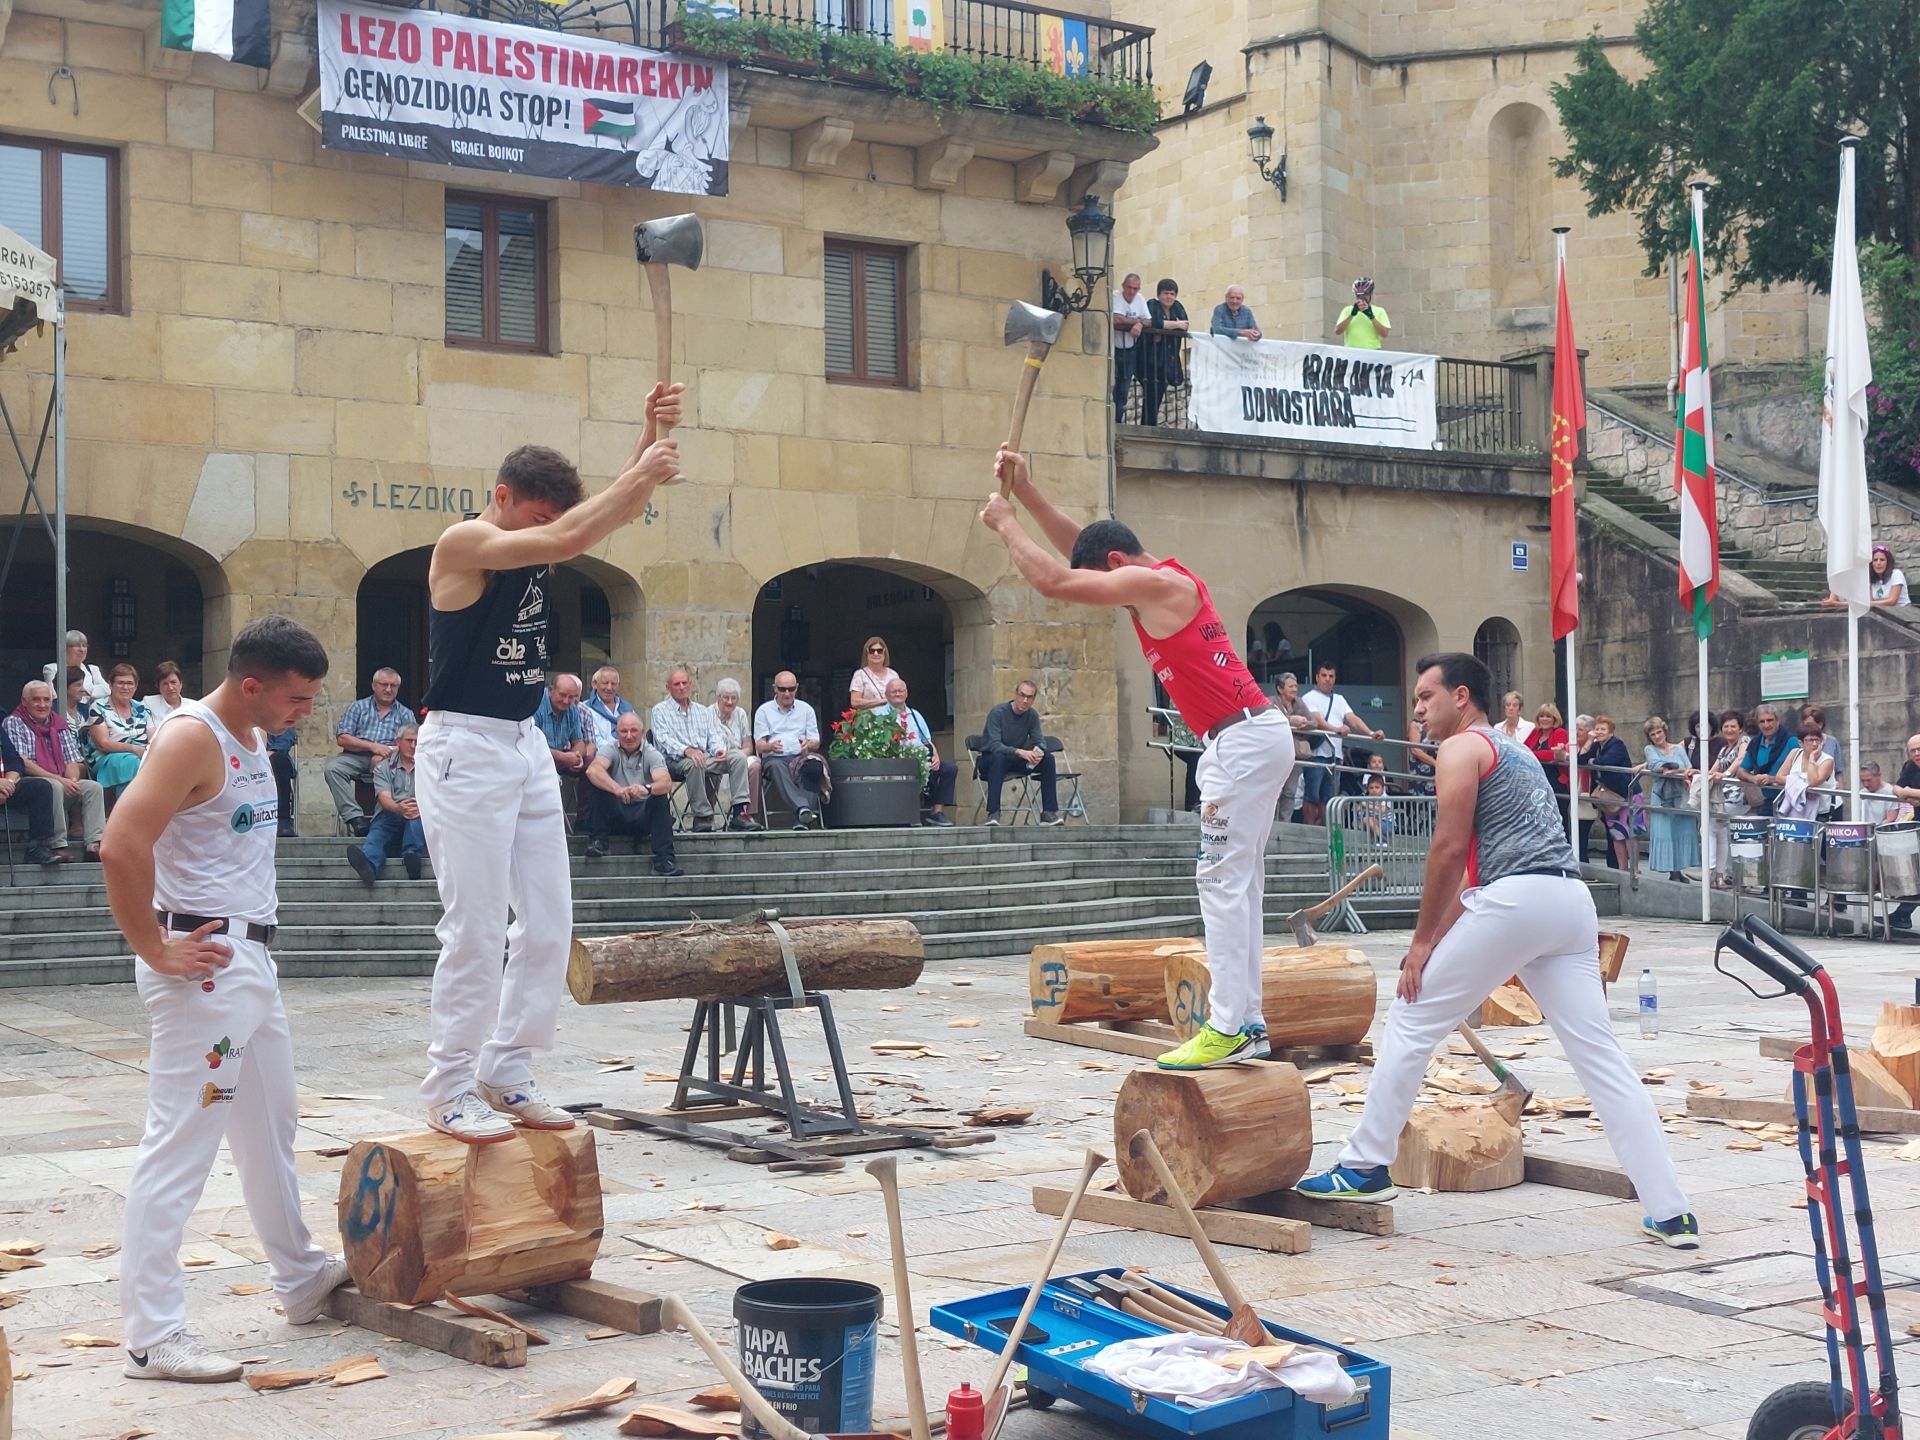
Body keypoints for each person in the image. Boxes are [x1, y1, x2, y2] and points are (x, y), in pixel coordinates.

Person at [1296, 652, 1697, 1246]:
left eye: (1425, 697)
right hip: (1570, 903)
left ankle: (1364, 1166)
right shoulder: (1518, 752)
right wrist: (1437, 937)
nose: (1417, 711)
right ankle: (1671, 1210)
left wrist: (1421, 945)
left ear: (1461, 697)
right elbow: (1472, 874)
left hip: (1518, 901)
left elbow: (1449, 848)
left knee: (1410, 1018)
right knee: (1600, 1058)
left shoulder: (1462, 747)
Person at [415, 387, 682, 1143]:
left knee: (547, 922)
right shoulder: (462, 542)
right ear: (502, 497)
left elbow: (601, 513)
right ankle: (448, 1086)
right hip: (463, 743)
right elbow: (569, 536)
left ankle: (508, 1067)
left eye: (549, 519)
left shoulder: (541, 532)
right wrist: (642, 472)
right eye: (535, 517)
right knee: (473, 929)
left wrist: (647, 435)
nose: (545, 531)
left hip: (524, 740)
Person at [982, 446, 1288, 1070]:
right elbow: (1084, 551)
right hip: (1250, 736)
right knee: (1240, 885)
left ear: (1118, 566)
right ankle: (1247, 1022)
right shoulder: (1152, 579)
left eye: (1108, 579)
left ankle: (1229, 1026)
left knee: (1220, 882)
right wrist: (1028, 491)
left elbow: (1058, 580)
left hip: (1242, 741)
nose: (1108, 592)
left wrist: (1006, 522)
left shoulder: (1158, 585)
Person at [102, 615, 348, 1383]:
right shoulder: (190, 737)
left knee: (271, 1125)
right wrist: (152, 946)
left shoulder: (252, 736)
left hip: (250, 960)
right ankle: (153, 1335)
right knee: (181, 1143)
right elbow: (120, 842)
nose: (306, 712)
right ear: (250, 685)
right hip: (204, 965)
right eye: (297, 699)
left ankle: (301, 1275)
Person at [6, 680, 105, 860]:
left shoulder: (58, 722)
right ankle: (57, 845)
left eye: (46, 700)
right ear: (24, 701)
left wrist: (72, 781)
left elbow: (71, 760)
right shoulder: (15, 722)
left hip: (59, 780)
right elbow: (22, 762)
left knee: (93, 788)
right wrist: (59, 780)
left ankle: (94, 845)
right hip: (30, 784)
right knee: (54, 786)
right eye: (36, 699)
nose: (42, 704)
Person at [650, 667, 755, 832]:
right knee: (695, 763)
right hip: (675, 760)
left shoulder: (702, 711)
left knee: (738, 757)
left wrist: (719, 749)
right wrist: (687, 751)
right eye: (676, 684)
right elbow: (663, 740)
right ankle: (702, 816)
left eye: (684, 683)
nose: (681, 687)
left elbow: (714, 735)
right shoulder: (659, 711)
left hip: (705, 756)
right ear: (668, 687)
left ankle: (739, 812)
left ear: (690, 685)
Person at [583, 712, 681, 874]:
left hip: (643, 816)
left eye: (633, 731)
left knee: (660, 796)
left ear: (642, 733)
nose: (629, 736)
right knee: (597, 784)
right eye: (624, 731)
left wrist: (646, 789)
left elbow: (665, 782)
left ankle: (664, 859)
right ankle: (599, 841)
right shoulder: (610, 749)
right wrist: (617, 789)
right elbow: (593, 770)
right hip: (615, 815)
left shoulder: (652, 754)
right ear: (617, 733)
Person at [326, 669, 417, 837]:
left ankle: (380, 821)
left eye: (393, 686)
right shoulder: (358, 707)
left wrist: (386, 751)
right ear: (374, 686)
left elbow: (411, 744)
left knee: (383, 767)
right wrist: (372, 747)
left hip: (389, 758)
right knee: (333, 768)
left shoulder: (406, 713)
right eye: (384, 685)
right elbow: (343, 738)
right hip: (355, 755)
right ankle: (355, 818)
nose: (388, 689)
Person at [1300, 664, 1383, 825]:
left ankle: (1326, 829)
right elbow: (1317, 720)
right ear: (1317, 677)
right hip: (1316, 754)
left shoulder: (1339, 699)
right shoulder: (1309, 697)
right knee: (1312, 795)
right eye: (1324, 675)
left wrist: (1370, 733)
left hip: (1335, 756)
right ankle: (1309, 828)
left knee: (1329, 797)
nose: (1327, 679)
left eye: (1331, 676)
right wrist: (1336, 729)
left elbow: (1353, 719)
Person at [348, 724, 426, 883]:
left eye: (417, 742)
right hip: (391, 812)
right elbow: (384, 798)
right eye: (409, 740)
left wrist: (420, 808)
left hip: (419, 813)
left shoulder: (428, 767)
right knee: (379, 831)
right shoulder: (384, 767)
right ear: (398, 742)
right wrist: (399, 808)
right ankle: (368, 866)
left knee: (415, 820)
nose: (413, 746)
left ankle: (412, 858)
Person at [979, 679, 1062, 827]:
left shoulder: (1032, 715)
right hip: (991, 760)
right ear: (1015, 694)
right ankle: (993, 813)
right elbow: (994, 745)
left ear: (1033, 699)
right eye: (1022, 695)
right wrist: (1020, 752)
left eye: (1029, 697)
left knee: (1048, 759)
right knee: (998, 758)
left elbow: (1040, 740)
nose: (1025, 700)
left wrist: (1038, 752)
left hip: (1016, 759)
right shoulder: (998, 713)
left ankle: (1049, 812)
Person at [753, 669, 828, 829]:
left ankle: (802, 818)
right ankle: (803, 808)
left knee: (814, 766)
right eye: (782, 689)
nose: (787, 693)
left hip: (800, 756)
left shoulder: (806, 709)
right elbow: (759, 745)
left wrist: (808, 744)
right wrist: (770, 746)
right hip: (775, 757)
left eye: (791, 689)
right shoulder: (764, 711)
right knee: (775, 766)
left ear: (797, 688)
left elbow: (815, 742)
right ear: (775, 688)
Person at [884, 676, 958, 826]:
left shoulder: (915, 714)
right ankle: (910, 814)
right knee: (917, 769)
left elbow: (927, 740)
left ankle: (936, 812)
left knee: (949, 769)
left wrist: (935, 756)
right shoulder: (880, 715)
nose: (898, 694)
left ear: (906, 693)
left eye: (901, 691)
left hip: (922, 758)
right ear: (886, 695)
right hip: (897, 761)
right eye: (893, 691)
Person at [1641, 717, 1698, 882]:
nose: (1657, 736)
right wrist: (1673, 768)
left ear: (1665, 732)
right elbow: (1656, 765)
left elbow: (1688, 768)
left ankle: (1678, 870)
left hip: (1680, 794)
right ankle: (1673, 872)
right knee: (1665, 833)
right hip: (1662, 796)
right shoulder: (1650, 749)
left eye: (1659, 732)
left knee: (1682, 830)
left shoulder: (1678, 749)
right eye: (1653, 734)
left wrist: (1675, 770)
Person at [88, 663, 154, 799]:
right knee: (133, 763)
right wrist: (133, 749)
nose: (125, 687)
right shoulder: (98, 707)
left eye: (130, 683)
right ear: (110, 684)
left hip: (141, 757)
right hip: (106, 759)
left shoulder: (142, 708)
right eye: (120, 683)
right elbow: (103, 744)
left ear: (136, 686)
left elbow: (153, 738)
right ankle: (131, 807)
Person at [0, 721, 62, 867]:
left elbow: (14, 760)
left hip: (5, 785)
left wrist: (8, 783)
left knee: (40, 787)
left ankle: (38, 847)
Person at [1582, 715, 1636, 870]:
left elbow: (1605, 761)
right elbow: (1581, 760)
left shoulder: (1617, 744)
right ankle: (1620, 867)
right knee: (1615, 832)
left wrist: (1593, 761)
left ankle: (1633, 868)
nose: (1599, 732)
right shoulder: (1596, 745)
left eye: (1603, 729)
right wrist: (1588, 741)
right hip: (1608, 795)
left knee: (1627, 832)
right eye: (1597, 729)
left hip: (1622, 794)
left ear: (1611, 732)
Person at [1705, 710, 1752, 881]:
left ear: (1740, 729)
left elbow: (1740, 759)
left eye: (1733, 726)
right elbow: (1713, 770)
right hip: (1723, 796)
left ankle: (1710, 870)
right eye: (1726, 726)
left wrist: (1725, 774)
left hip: (1738, 795)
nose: (1729, 729)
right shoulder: (1724, 749)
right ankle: (1720, 874)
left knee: (1709, 826)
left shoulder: (1744, 741)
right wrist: (1696, 775)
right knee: (1721, 832)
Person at [709, 678, 760, 825]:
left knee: (755, 765)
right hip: (717, 756)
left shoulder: (740, 713)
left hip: (738, 755)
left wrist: (738, 757)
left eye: (734, 698)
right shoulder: (707, 714)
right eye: (726, 698)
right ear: (718, 698)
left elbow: (748, 746)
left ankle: (747, 813)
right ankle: (707, 814)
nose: (730, 702)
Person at [1142, 278, 1189, 426]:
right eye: (1166, 293)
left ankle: (1150, 423)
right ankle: (1147, 425)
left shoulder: (1177, 307)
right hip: (1150, 358)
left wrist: (1165, 326)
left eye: (1172, 294)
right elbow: (1154, 322)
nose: (1169, 297)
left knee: (1158, 392)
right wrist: (1175, 324)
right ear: (1159, 294)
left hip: (1168, 359)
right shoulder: (1152, 304)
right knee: (1151, 392)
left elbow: (1185, 325)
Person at [1275, 672, 1320, 824]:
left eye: (1296, 686)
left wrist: (1302, 723)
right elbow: (1268, 720)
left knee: (1290, 791)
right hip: (1276, 753)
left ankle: (1285, 824)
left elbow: (1314, 723)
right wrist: (1289, 720)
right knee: (1275, 790)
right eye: (1291, 686)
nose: (1294, 689)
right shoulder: (1271, 702)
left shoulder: (1299, 702)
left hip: (1295, 753)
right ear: (1280, 689)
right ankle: (1272, 824)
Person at [1733, 703, 1794, 815]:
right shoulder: (1755, 744)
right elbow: (1741, 771)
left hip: (1791, 801)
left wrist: (1773, 779)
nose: (1766, 725)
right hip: (1768, 802)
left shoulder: (1791, 742)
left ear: (1778, 721)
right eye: (1762, 721)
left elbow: (1801, 774)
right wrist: (1753, 778)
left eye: (1770, 720)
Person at [533, 673, 594, 777]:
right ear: (550, 690)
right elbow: (533, 746)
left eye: (571, 697)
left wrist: (576, 756)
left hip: (560, 757)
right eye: (562, 695)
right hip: (537, 759)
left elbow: (578, 742)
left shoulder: (572, 708)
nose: (566, 701)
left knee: (592, 763)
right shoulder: (536, 704)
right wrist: (563, 757)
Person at [1890, 734, 1920, 930]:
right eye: (1913, 751)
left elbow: (1904, 790)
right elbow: (1896, 787)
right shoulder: (1911, 767)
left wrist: (1908, 792)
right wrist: (1904, 792)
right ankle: (1902, 915)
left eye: (1919, 749)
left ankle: (1902, 914)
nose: (1917, 754)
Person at [1111, 272, 1151, 418]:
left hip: (1130, 350)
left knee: (1124, 387)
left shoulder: (1140, 299)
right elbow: (1116, 319)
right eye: (1129, 287)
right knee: (1111, 385)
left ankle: (1117, 419)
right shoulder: (1116, 296)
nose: (1132, 291)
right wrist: (1137, 321)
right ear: (1123, 286)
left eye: (1135, 288)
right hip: (1113, 348)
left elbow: (1149, 321)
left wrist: (1139, 325)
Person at [1824, 543, 1910, 608]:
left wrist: (1839, 604)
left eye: (1882, 560)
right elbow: (1864, 603)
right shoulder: (1871, 579)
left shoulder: (1896, 574)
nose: (1878, 563)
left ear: (1888, 562)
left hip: (1902, 612)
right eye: (1875, 560)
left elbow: (1892, 601)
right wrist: (1835, 603)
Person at [42, 628, 109, 706]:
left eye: (84, 646)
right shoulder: (52, 668)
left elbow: (107, 690)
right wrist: (91, 691)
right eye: (77, 646)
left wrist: (80, 691)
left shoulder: (93, 669)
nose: (82, 650)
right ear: (65, 648)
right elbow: (54, 695)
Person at [1333, 276, 1392, 349]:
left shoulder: (1380, 311)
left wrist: (1372, 317)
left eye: (1365, 295)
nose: (1362, 297)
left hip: (1371, 352)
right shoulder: (1347, 310)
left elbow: (1384, 334)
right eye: (1359, 295)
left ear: (1371, 294)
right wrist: (1351, 315)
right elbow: (1337, 331)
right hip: (1351, 352)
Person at [849, 636, 899, 713]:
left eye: (879, 651)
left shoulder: (893, 674)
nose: (876, 654)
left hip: (891, 718)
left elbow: (900, 697)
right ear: (866, 653)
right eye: (872, 651)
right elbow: (855, 702)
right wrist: (882, 701)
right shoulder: (860, 674)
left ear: (884, 653)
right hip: (869, 719)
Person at [585, 665, 636, 738]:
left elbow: (637, 734)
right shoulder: (586, 709)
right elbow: (596, 740)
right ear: (594, 684)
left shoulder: (628, 709)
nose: (609, 688)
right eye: (605, 683)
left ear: (618, 686)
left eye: (613, 684)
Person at [265, 725, 298, 836]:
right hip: (249, 760)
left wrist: (272, 751)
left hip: (274, 759)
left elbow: (286, 738)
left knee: (279, 761)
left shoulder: (278, 720)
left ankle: (283, 821)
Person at [1857, 762, 1909, 826]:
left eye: (1869, 780)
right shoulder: (1862, 793)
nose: (1866, 784)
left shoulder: (1890, 792)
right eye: (1862, 781)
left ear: (1878, 776)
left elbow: (1891, 818)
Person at [143, 661, 186, 730]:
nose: (170, 688)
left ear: (181, 684)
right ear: (158, 686)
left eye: (173, 682)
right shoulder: (148, 703)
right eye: (165, 684)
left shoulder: (193, 707)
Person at [1356, 774, 1393, 847]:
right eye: (1371, 788)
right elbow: (1358, 809)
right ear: (1368, 789)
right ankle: (1382, 839)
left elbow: (1382, 810)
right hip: (1373, 822)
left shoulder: (1386, 798)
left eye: (1377, 787)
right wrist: (1360, 806)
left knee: (1372, 820)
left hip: (1387, 824)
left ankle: (1382, 840)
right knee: (1367, 819)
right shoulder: (1366, 798)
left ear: (1383, 789)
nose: (1374, 790)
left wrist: (1366, 805)